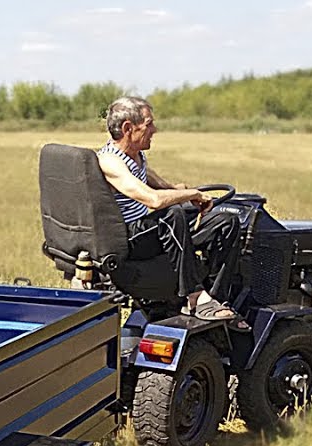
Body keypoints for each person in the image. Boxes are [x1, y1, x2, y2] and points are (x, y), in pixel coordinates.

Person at [96, 96, 243, 322]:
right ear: (128, 128)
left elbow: (163, 187)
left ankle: (214, 299)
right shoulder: (110, 161)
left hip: (149, 232)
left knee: (226, 222)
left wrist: (184, 191)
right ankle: (194, 294)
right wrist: (191, 195)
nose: (154, 129)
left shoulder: (136, 156)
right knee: (171, 215)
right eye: (148, 124)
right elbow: (153, 200)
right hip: (131, 239)